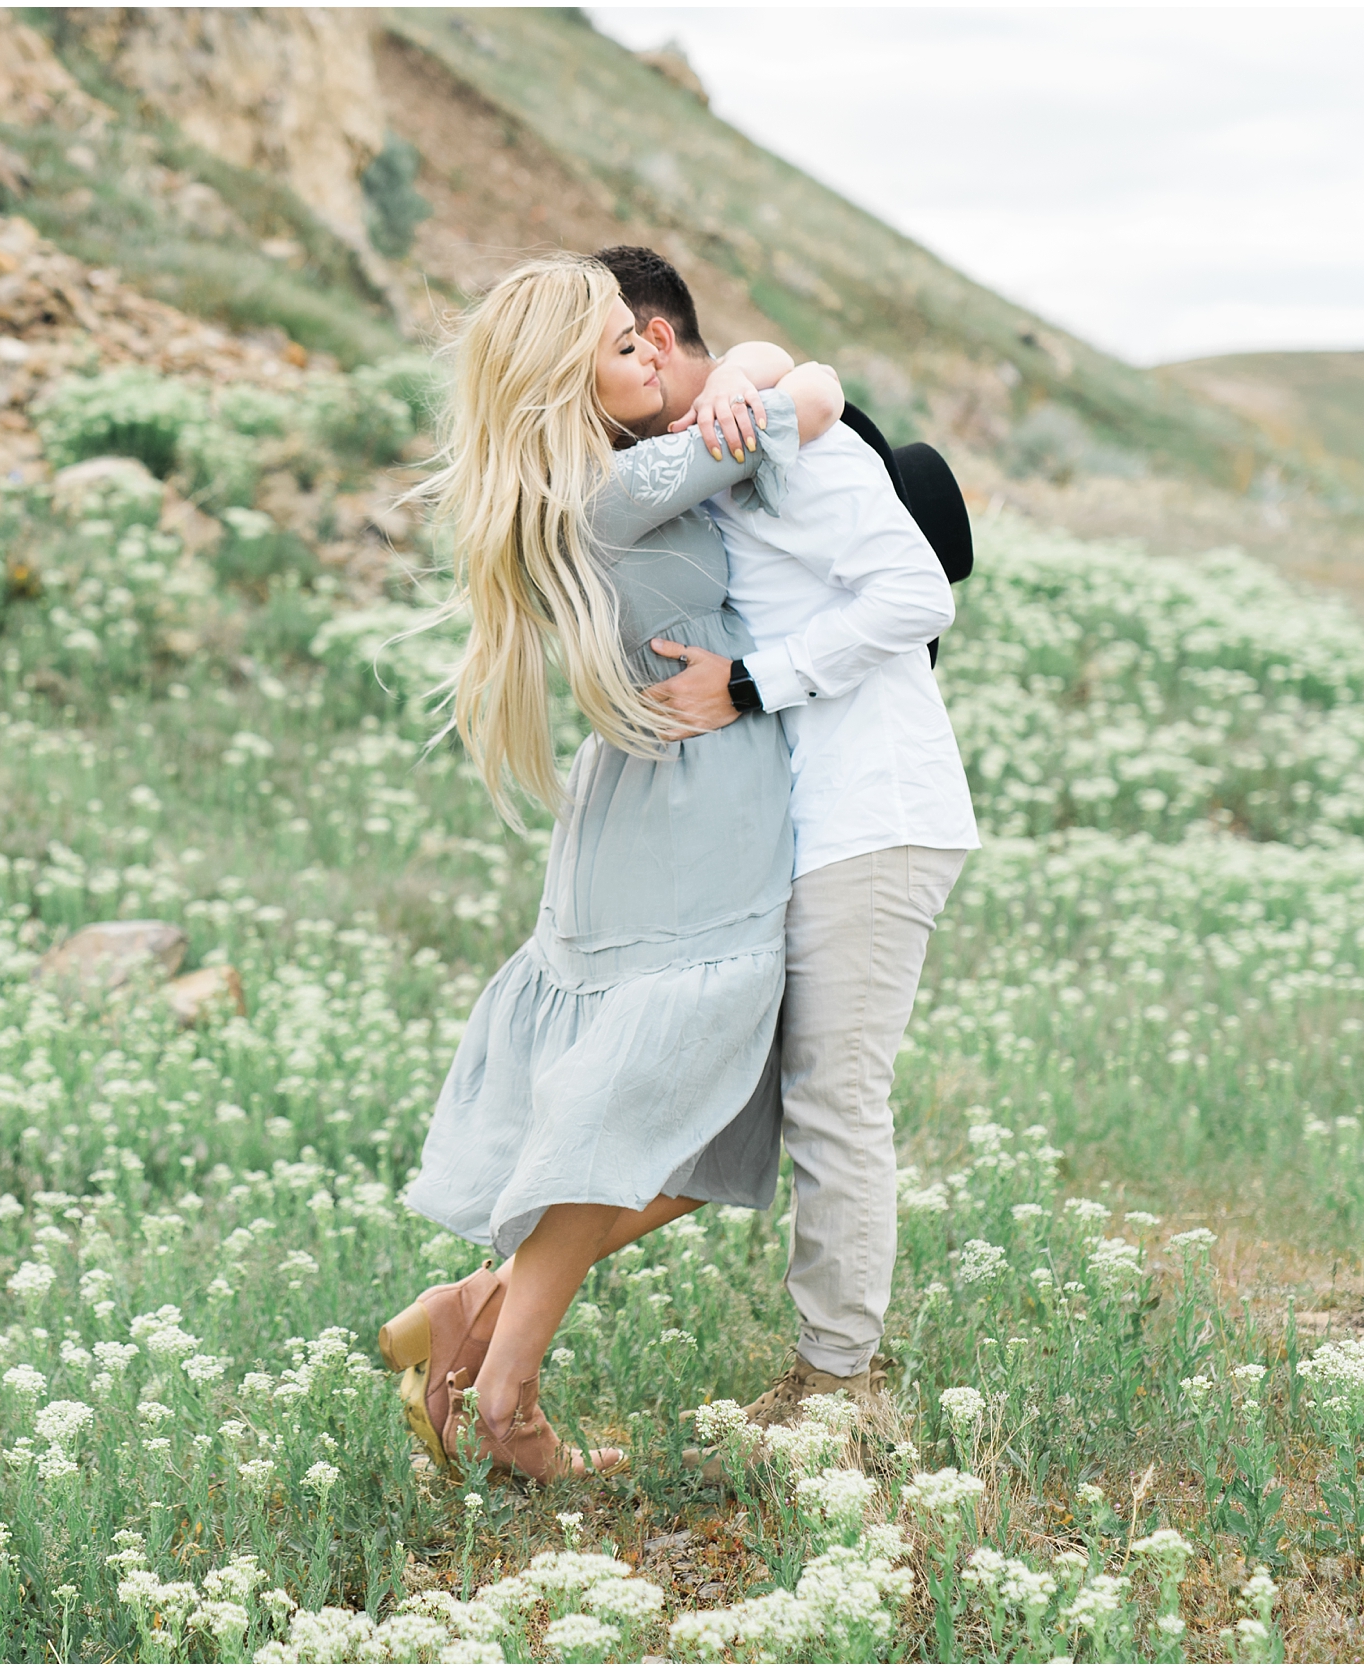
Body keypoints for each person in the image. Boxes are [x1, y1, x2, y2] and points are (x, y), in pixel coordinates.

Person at [378, 255, 843, 1484]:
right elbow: (820, 400)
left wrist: (730, 371)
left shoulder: (567, 493)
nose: (647, 348)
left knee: (713, 1123)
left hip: (649, 807)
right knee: (673, 1115)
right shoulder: (619, 487)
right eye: (614, 343)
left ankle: (476, 1308)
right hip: (694, 820)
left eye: (650, 339)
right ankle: (504, 1399)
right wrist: (753, 374)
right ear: (554, 377)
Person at [594, 243, 981, 1436]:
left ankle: (837, 1386)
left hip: (879, 811)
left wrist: (752, 685)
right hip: (812, 819)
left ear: (655, 343)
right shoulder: (716, 448)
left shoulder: (778, 440)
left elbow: (918, 598)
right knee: (743, 1097)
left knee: (831, 1102)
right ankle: (498, 1298)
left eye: (597, 353)